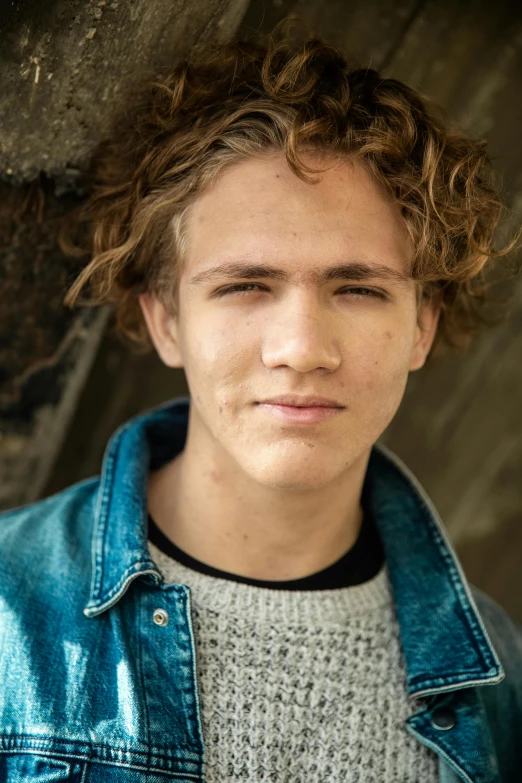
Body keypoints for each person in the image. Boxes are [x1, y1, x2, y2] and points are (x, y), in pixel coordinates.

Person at [1, 23, 521, 783]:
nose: (302, 346)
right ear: (165, 318)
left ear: (423, 324)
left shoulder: (500, 682)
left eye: (358, 288)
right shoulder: (7, 612)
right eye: (245, 285)